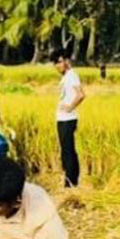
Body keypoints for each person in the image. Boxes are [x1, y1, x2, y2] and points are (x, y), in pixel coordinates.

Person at [53, 50, 85, 188]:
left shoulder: (72, 75)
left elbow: (81, 94)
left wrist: (70, 107)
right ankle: (72, 180)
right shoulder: (67, 76)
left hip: (67, 119)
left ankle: (70, 181)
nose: (58, 65)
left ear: (66, 61)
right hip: (63, 118)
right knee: (67, 149)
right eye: (56, 63)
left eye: (60, 62)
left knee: (67, 150)